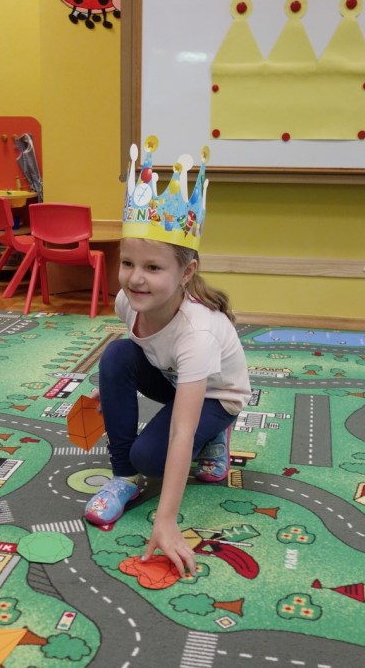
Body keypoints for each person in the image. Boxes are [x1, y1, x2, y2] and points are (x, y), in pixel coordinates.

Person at [84, 136, 251, 579]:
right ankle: (123, 477)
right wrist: (112, 392)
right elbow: (137, 356)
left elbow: (181, 429)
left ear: (186, 273)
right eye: (128, 264)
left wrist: (167, 520)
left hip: (216, 395)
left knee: (152, 458)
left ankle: (217, 433)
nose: (135, 279)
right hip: (174, 378)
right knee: (116, 356)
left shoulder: (197, 333)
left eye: (153, 268)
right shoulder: (127, 302)